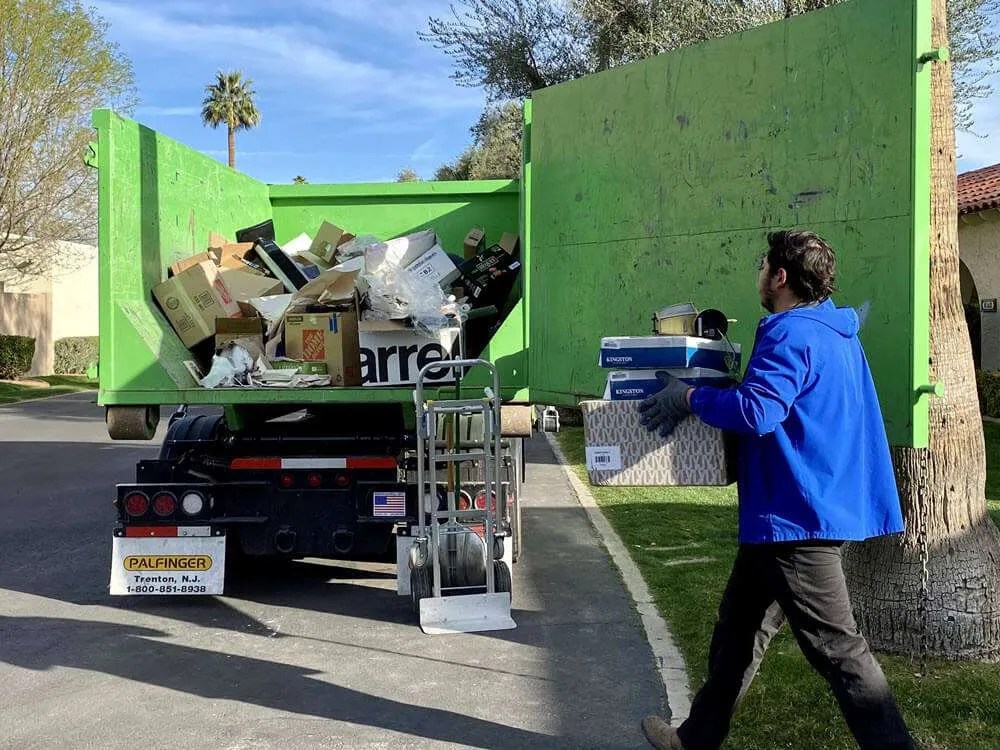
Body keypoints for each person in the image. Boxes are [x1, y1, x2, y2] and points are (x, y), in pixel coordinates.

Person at [637, 230, 916, 750]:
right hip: (791, 510)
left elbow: (757, 412)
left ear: (781, 277)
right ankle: (694, 739)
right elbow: (782, 403)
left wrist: (690, 398)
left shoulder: (791, 333)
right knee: (738, 631)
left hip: (797, 515)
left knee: (839, 650)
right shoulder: (834, 330)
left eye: (763, 265)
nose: (759, 274)